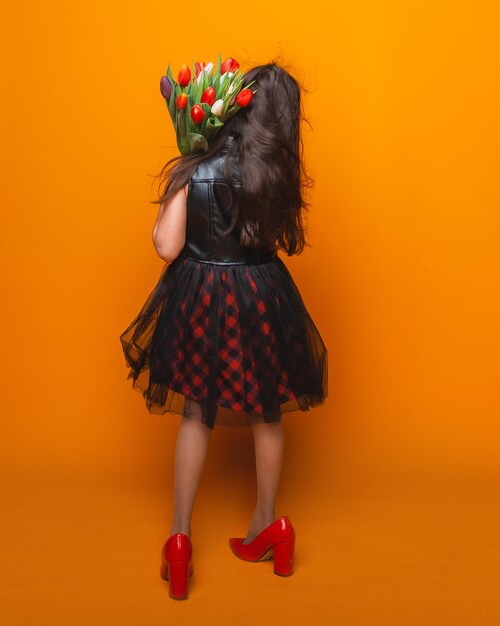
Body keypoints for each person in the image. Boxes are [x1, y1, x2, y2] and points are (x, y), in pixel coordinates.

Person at [120, 59, 328, 599]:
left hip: (202, 295)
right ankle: (269, 526)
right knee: (267, 411)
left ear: (236, 106)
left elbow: (166, 247)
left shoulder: (198, 166)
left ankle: (179, 538)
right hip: (262, 296)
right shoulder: (276, 176)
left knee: (195, 412)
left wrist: (187, 172)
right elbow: (277, 241)